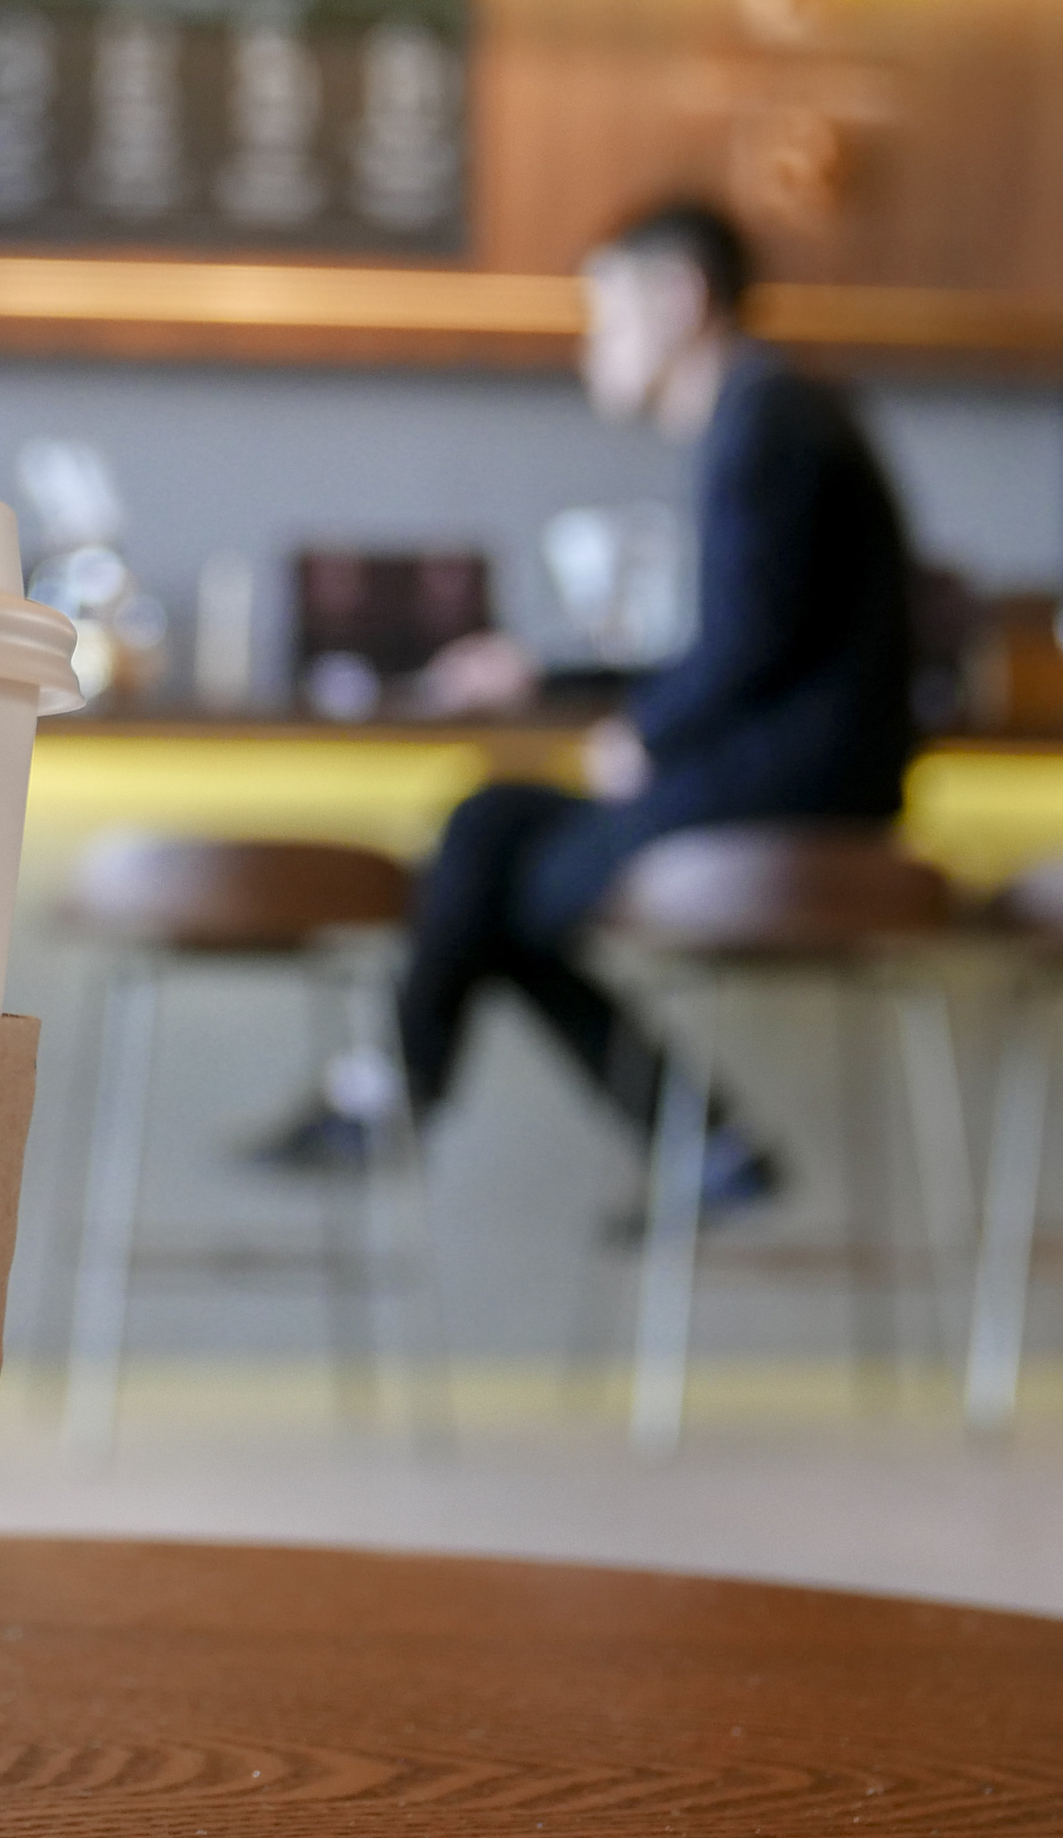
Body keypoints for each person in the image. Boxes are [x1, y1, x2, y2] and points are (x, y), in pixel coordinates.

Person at [260, 200, 918, 1210]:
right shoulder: (774, 408)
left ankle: (406, 1087)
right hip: (795, 770)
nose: (589, 345)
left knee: (491, 882)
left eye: (603, 315)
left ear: (682, 296)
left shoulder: (766, 419)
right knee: (487, 830)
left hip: (803, 787)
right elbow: (747, 634)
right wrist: (547, 678)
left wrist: (647, 735)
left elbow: (753, 645)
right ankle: (687, 1140)